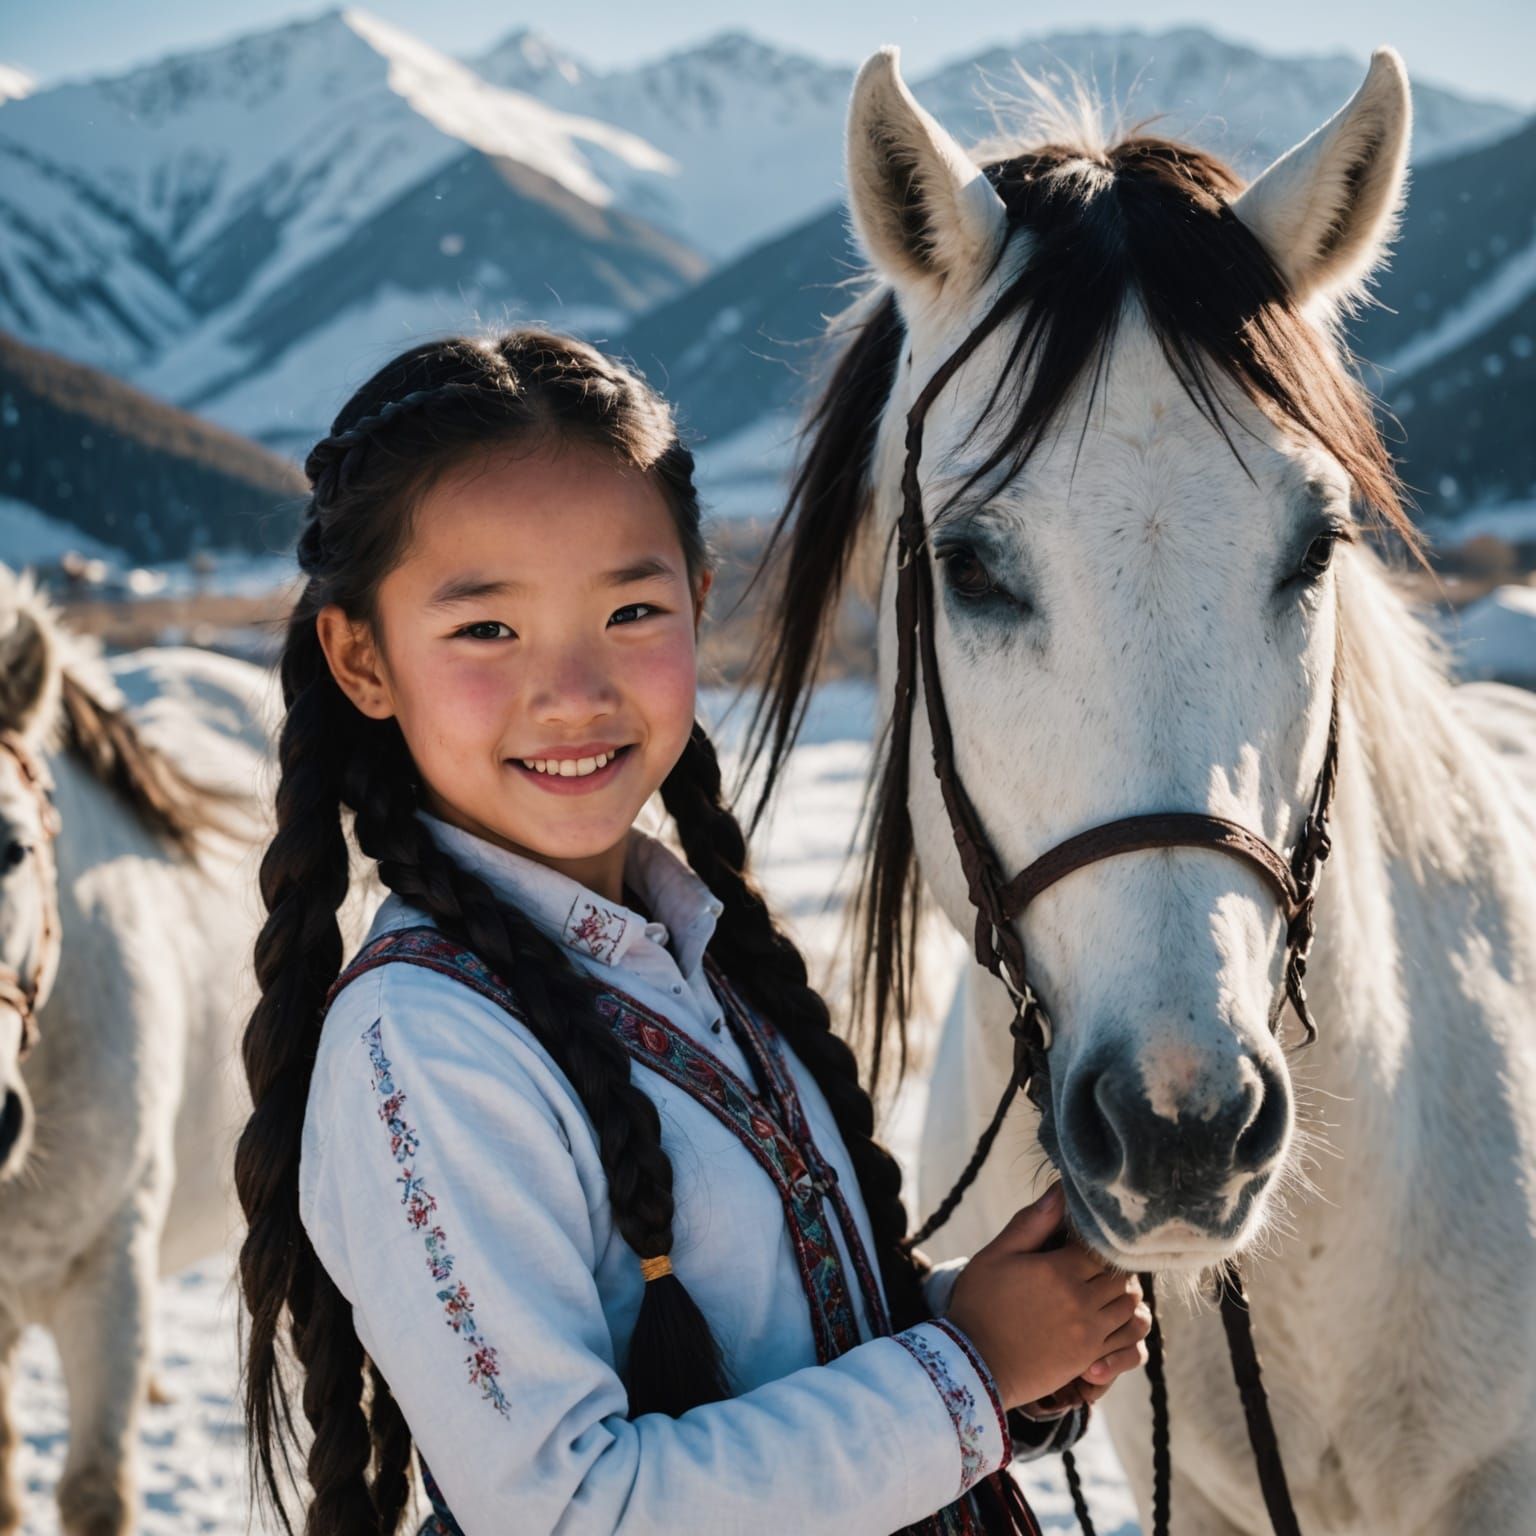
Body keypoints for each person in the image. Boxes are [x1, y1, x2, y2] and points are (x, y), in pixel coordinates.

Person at [234, 329, 1151, 1536]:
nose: (575, 690)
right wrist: (966, 1376)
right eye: (487, 630)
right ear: (362, 657)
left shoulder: (693, 953)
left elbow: (767, 1351)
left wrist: (993, 1343)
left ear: (700, 604)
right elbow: (571, 1510)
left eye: (631, 609)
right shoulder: (423, 1044)